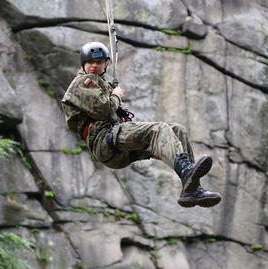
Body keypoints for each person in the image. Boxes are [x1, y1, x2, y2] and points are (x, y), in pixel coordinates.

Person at [61, 41, 221, 208]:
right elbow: (104, 110)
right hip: (104, 140)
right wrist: (115, 96)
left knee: (177, 130)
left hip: (117, 145)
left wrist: (112, 94)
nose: (94, 66)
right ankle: (187, 172)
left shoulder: (101, 84)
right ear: (83, 64)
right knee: (159, 130)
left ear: (105, 64)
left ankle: (192, 189)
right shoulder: (82, 82)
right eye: (91, 62)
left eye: (99, 62)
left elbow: (108, 111)